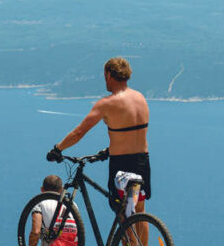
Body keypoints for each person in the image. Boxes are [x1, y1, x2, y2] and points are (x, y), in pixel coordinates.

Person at [47, 57, 151, 214]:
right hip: (142, 161)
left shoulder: (107, 103)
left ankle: (130, 240)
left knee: (124, 212)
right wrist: (108, 150)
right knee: (139, 209)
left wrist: (58, 148)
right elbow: (131, 135)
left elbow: (78, 133)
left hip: (122, 165)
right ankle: (142, 240)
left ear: (109, 75)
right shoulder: (140, 98)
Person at [0, 175, 79, 246]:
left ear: (42, 190)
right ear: (61, 190)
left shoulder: (40, 202)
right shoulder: (73, 205)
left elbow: (35, 231)